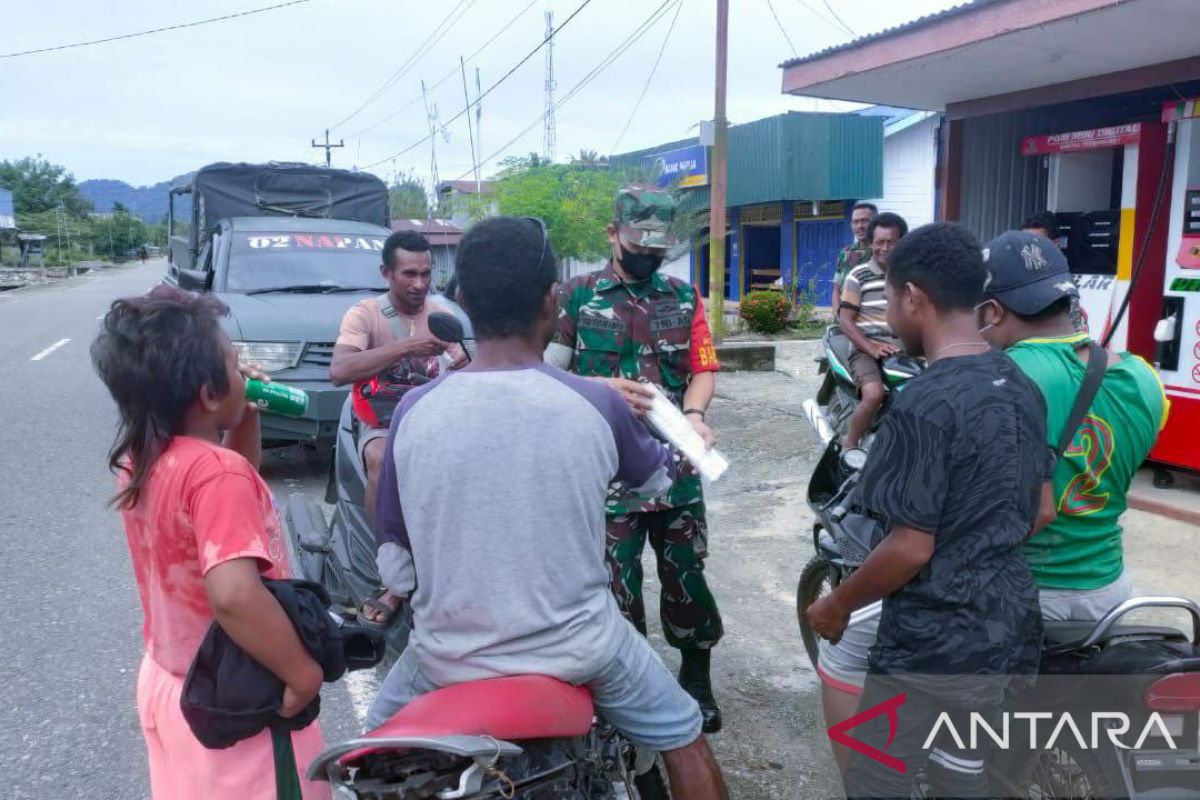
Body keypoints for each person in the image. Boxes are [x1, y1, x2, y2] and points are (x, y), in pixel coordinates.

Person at [369, 216, 728, 799]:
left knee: (362, 761)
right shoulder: (596, 405)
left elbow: (396, 566)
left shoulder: (413, 410)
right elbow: (658, 479)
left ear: (460, 302)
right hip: (584, 651)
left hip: (444, 658)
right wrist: (689, 440)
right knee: (685, 739)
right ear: (551, 300)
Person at [806, 223, 1046, 798]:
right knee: (962, 768)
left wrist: (837, 604)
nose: (888, 311)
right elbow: (1043, 507)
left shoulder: (925, 403)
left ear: (914, 296)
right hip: (1007, 628)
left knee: (874, 774)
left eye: (889, 298)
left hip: (933, 642)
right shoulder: (1019, 384)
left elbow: (911, 547)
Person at [91, 286, 327, 800]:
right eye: (235, 364)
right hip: (238, 693)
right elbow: (235, 594)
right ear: (208, 393)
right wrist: (302, 672)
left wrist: (245, 413)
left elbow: (233, 479)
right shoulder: (215, 474)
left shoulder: (142, 458)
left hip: (173, 684)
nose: (245, 373)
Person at [545, 185, 725, 733]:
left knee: (685, 577)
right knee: (613, 585)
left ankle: (696, 676)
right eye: (637, 243)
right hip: (604, 470)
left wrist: (694, 414)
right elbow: (548, 374)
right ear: (612, 235)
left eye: (657, 247)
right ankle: (629, 687)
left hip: (675, 467)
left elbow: (704, 366)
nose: (648, 254)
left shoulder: (684, 296)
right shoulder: (576, 298)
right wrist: (601, 385)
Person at [978, 230, 1169, 620]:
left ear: (993, 312)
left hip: (1028, 593)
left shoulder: (1001, 377)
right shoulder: (1144, 378)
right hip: (1111, 591)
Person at [329, 230, 451, 624]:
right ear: (387, 273)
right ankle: (392, 575)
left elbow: (465, 358)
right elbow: (340, 370)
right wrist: (407, 347)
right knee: (381, 459)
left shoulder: (441, 314)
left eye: (426, 274)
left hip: (434, 418)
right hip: (381, 419)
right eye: (409, 274)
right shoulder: (364, 315)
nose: (419, 284)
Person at [837, 211, 909, 450]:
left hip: (904, 349)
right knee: (874, 394)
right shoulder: (858, 275)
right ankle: (850, 445)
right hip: (865, 349)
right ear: (872, 244)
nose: (885, 248)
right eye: (880, 242)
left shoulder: (910, 276)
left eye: (892, 242)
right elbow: (845, 320)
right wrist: (870, 346)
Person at [1022, 211, 1089, 334]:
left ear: (1055, 243)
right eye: (1025, 242)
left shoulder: (1063, 282)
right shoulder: (1012, 277)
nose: (1030, 248)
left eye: (1037, 242)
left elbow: (1077, 332)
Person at [831, 202, 877, 311]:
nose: (859, 226)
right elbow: (836, 289)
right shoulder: (845, 253)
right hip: (846, 316)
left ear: (876, 223)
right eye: (855, 222)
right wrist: (837, 314)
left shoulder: (882, 253)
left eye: (865, 221)